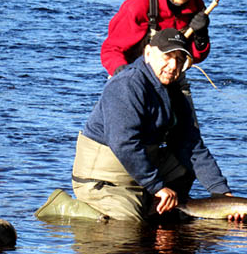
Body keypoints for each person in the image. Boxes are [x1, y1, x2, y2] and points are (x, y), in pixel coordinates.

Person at [72, 28, 232, 222]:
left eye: (180, 59)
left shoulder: (174, 90)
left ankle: (158, 206)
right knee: (129, 227)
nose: (173, 65)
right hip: (103, 180)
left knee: (185, 163)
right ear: (148, 53)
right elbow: (124, 144)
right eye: (167, 56)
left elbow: (191, 145)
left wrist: (223, 195)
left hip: (137, 173)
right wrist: (157, 186)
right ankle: (86, 209)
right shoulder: (127, 85)